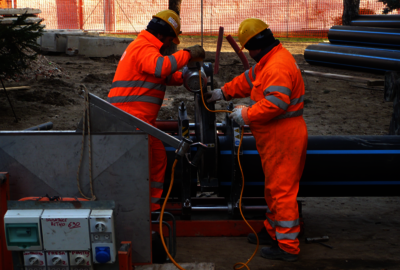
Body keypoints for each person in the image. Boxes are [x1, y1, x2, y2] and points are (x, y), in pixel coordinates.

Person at [205, 18, 308, 262]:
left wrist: (246, 114)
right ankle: (274, 232)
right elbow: (248, 79)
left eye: (248, 49)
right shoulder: (269, 60)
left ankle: (287, 247)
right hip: (276, 135)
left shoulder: (277, 66)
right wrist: (223, 92)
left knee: (282, 191)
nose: (249, 55)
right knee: (273, 188)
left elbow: (276, 103)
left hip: (283, 136)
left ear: (254, 46)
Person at [107, 10, 205, 212]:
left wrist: (186, 78)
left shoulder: (146, 48)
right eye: (170, 39)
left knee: (158, 157)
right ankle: (138, 210)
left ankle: (149, 208)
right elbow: (160, 68)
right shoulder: (143, 47)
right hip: (131, 119)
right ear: (162, 34)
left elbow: (162, 76)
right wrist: (187, 54)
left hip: (139, 120)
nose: (170, 44)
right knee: (141, 165)